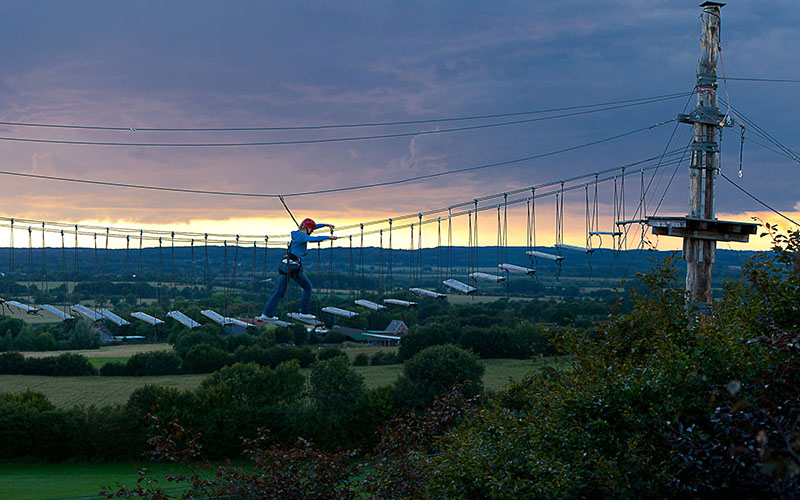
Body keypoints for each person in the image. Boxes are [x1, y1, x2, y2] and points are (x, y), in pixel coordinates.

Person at [257, 218, 337, 321]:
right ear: (307, 228)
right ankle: (303, 312)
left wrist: (325, 224)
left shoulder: (298, 234)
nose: (312, 232)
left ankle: (267, 314)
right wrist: (329, 237)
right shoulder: (302, 236)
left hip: (284, 265)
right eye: (311, 230)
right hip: (293, 265)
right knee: (308, 287)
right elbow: (314, 239)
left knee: (279, 291)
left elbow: (313, 227)